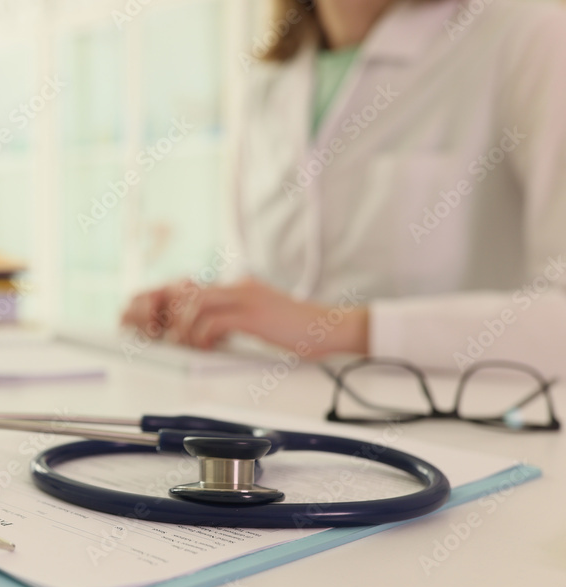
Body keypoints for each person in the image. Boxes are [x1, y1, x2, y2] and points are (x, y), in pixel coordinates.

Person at [121, 0, 566, 375]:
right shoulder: (266, 80)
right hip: (281, 432)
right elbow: (269, 284)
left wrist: (337, 329)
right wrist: (206, 310)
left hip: (463, 446)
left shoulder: (528, 36)